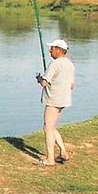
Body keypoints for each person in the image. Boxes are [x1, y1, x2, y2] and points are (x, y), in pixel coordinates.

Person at [36, 38, 75, 166]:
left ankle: (50, 159)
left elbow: (44, 83)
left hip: (54, 99)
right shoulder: (70, 64)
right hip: (64, 99)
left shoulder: (55, 64)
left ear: (59, 50)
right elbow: (72, 85)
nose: (49, 50)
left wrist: (39, 78)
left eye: (52, 48)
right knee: (51, 126)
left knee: (47, 127)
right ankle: (63, 152)